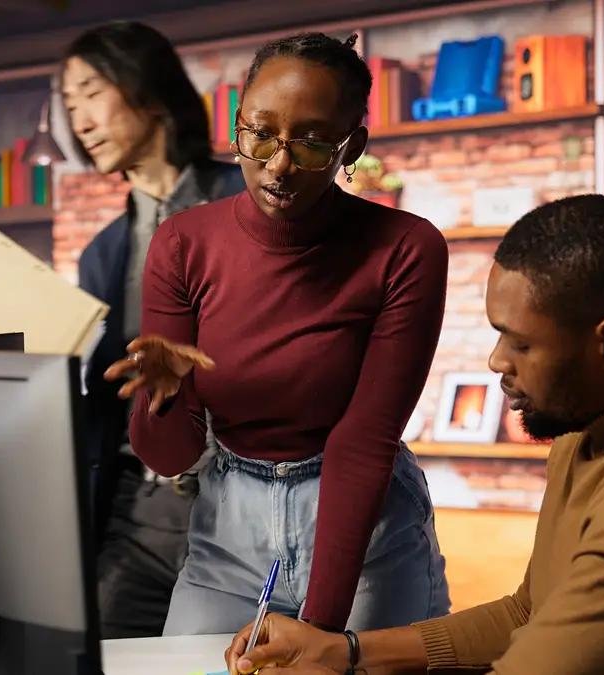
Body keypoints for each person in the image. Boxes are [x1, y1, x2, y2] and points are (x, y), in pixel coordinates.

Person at [221, 193, 604, 675]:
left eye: (521, 344)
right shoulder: (588, 431)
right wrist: (344, 653)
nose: (495, 361)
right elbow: (528, 613)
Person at [104, 31, 451, 635]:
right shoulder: (183, 244)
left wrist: (319, 634)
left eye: (313, 144)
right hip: (228, 533)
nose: (278, 165)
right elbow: (172, 454)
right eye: (258, 133)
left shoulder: (405, 249)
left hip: (364, 539)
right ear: (237, 124)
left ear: (352, 148)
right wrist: (165, 397)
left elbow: (364, 441)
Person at [64, 21, 246, 638]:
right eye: (69, 104)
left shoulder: (248, 202)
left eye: (90, 91)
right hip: (137, 509)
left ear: (149, 88)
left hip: (246, 504)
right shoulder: (103, 252)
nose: (79, 118)